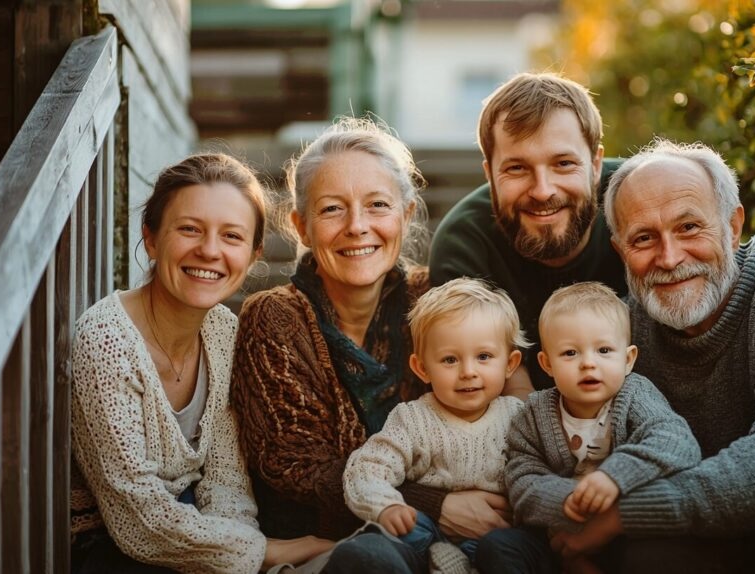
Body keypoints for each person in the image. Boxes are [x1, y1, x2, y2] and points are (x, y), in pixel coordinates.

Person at [548, 139, 755, 572]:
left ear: (733, 225)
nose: (668, 258)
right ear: (620, 252)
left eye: (689, 228)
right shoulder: (625, 332)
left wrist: (625, 516)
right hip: (705, 539)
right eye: (644, 238)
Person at [231, 118, 513, 571]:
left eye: (377, 205)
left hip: (453, 545)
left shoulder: (436, 302)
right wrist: (436, 502)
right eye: (332, 210)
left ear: (405, 212)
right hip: (326, 547)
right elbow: (299, 469)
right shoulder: (275, 318)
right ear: (301, 226)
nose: (357, 226)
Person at [70, 154, 333, 573]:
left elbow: (227, 478)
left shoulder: (223, 331)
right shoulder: (106, 339)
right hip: (112, 548)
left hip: (201, 533)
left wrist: (241, 552)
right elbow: (138, 520)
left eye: (231, 236)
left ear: (253, 253)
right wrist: (265, 552)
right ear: (152, 238)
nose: (210, 251)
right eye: (190, 229)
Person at [481, 282, 701, 573]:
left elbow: (677, 441)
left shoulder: (635, 395)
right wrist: (568, 500)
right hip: (555, 536)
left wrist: (615, 476)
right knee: (496, 547)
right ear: (547, 364)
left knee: (657, 555)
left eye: (604, 350)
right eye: (570, 353)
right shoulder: (534, 414)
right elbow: (522, 480)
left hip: (623, 534)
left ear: (628, 359)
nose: (588, 363)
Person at [429, 72, 627, 394]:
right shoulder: (464, 245)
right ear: (489, 175)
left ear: (596, 165)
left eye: (563, 163)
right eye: (517, 168)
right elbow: (516, 404)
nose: (542, 191)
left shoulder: (641, 200)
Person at [342, 277, 526, 573]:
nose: (468, 372)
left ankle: (461, 564)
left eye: (483, 357)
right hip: (427, 531)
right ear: (422, 368)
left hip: (495, 536)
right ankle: (434, 559)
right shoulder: (413, 419)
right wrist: (387, 505)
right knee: (398, 532)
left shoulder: (519, 417)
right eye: (450, 360)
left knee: (508, 547)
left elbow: (549, 467)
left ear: (510, 363)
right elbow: (367, 468)